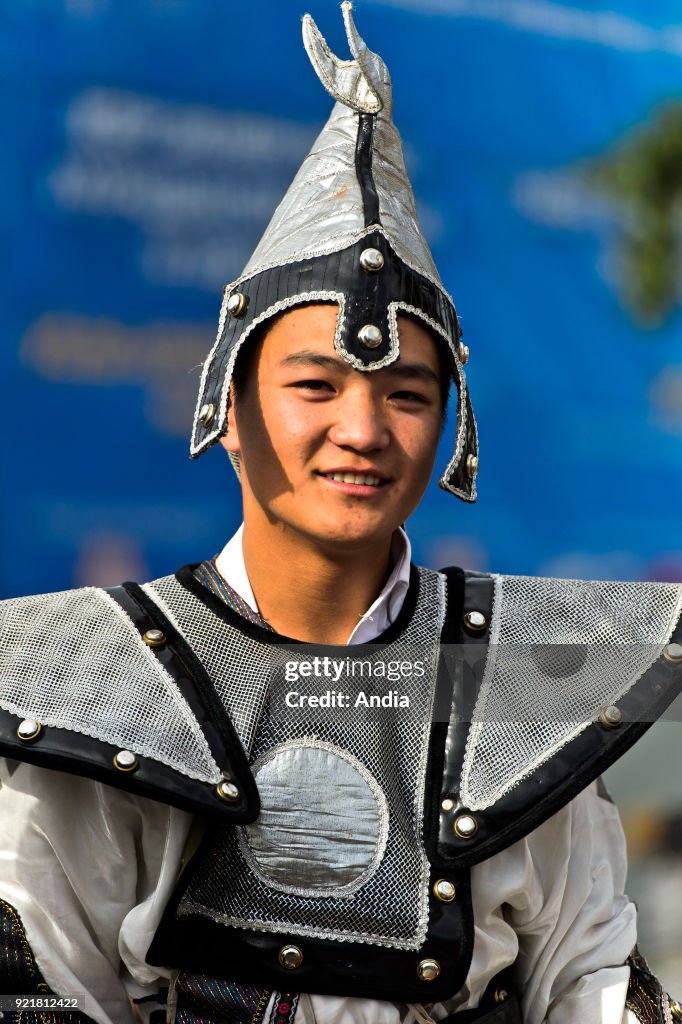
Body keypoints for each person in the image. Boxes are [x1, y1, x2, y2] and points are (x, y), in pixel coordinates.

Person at [1, 5, 681, 1024]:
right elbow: (40, 982)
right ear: (227, 412)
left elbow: (588, 975)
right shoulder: (100, 685)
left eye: (408, 394)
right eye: (314, 387)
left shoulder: (522, 687)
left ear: (451, 427)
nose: (362, 429)